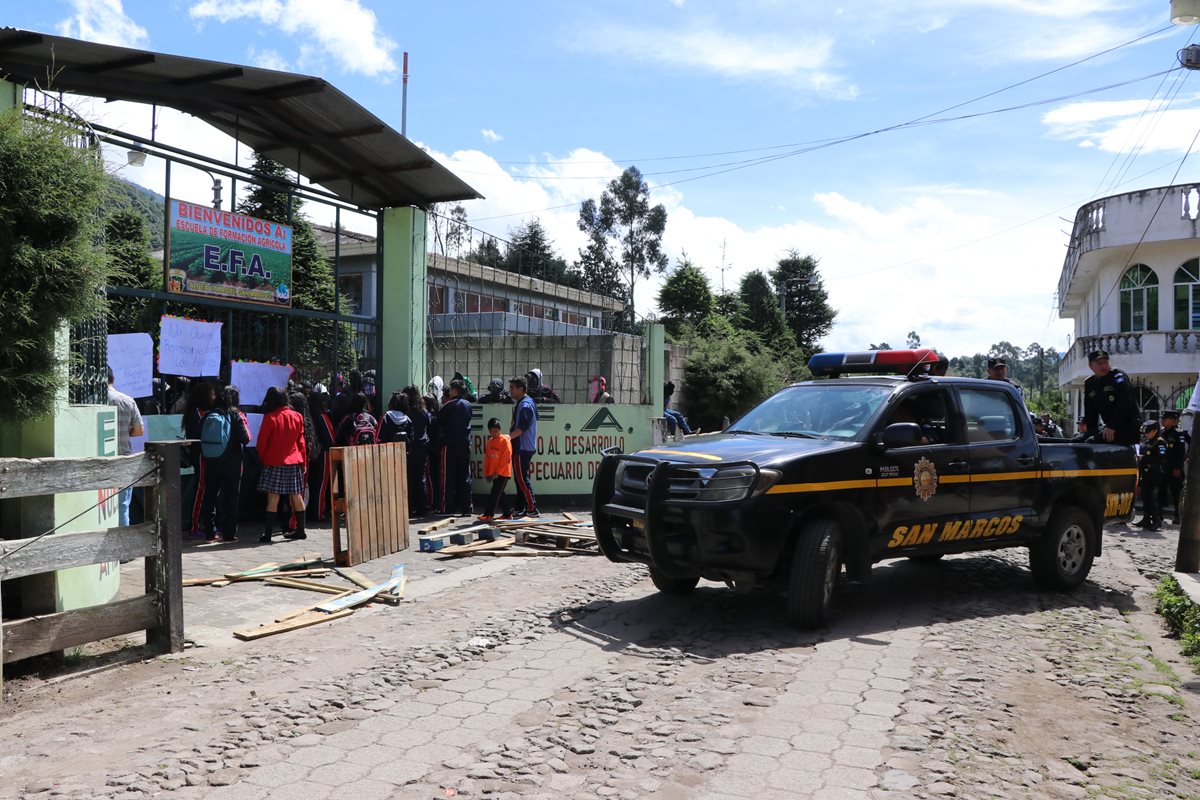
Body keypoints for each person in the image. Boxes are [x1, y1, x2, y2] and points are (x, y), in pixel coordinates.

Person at [198, 385, 250, 543]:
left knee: (210, 496)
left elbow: (197, 435)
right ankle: (229, 534)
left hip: (211, 461)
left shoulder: (209, 415)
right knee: (231, 498)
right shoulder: (236, 415)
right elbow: (245, 438)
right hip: (232, 463)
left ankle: (209, 533)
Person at [256, 386, 308, 543]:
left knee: (273, 497)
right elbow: (301, 442)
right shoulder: (297, 416)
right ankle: (300, 531)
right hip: (294, 461)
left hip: (274, 461)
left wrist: (264, 459)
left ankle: (268, 534)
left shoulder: (270, 417)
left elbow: (261, 443)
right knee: (296, 496)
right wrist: (303, 461)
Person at [107, 367, 144, 527]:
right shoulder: (127, 400)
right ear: (113, 380)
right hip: (123, 457)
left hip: (100, 459)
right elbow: (139, 430)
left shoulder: (90, 401)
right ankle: (123, 547)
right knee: (122, 507)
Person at [1081, 350, 1140, 446]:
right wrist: (1089, 432)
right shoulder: (1090, 383)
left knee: (1090, 443)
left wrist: (1112, 426)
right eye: (1099, 363)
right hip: (1109, 428)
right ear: (1090, 366)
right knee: (1078, 442)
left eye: (1105, 362)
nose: (1103, 366)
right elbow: (1090, 413)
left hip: (1127, 428)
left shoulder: (1118, 377)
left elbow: (1125, 402)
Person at [182, 380, 217, 538]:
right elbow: (196, 437)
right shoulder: (196, 413)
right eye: (212, 394)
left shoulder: (202, 412)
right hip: (201, 457)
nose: (214, 396)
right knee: (200, 490)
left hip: (208, 457)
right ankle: (195, 527)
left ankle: (205, 524)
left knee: (207, 491)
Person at [439, 379, 474, 515]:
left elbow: (439, 422)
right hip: (465, 444)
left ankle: (447, 508)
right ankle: (467, 508)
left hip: (450, 445)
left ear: (454, 391)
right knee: (465, 477)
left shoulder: (449, 405)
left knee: (448, 477)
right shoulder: (468, 405)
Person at [509, 375, 540, 517]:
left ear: (521, 389)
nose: (510, 391)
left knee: (522, 479)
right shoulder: (527, 402)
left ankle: (532, 508)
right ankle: (519, 508)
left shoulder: (525, 405)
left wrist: (505, 438)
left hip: (523, 447)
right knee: (519, 479)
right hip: (522, 447)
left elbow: (521, 429)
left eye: (512, 388)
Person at [478, 417, 513, 522]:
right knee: (499, 494)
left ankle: (489, 515)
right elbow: (487, 459)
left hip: (503, 473)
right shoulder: (489, 442)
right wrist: (487, 473)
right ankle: (507, 514)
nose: (494, 433)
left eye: (496, 431)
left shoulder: (505, 441)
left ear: (500, 430)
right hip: (493, 474)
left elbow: (506, 458)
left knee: (495, 493)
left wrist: (498, 473)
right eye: (492, 431)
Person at [1135, 419, 1168, 531]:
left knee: (1150, 498)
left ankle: (1156, 520)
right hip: (1145, 472)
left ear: (1155, 430)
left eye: (1148, 431)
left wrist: (1144, 458)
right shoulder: (1146, 441)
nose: (1146, 433)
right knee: (1144, 496)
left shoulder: (1160, 442)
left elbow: (1160, 459)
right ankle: (1146, 519)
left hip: (1154, 473)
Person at [403, 385, 430, 517]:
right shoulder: (423, 410)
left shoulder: (406, 412)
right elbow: (429, 423)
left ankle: (410, 507)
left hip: (410, 447)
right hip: (422, 446)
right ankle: (422, 507)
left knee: (409, 478)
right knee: (420, 478)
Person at [308, 392, 336, 522]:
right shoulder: (322, 416)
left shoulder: (306, 416)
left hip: (308, 453)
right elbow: (330, 438)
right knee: (321, 485)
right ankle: (318, 513)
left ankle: (308, 510)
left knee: (310, 483)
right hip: (322, 454)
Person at [1159, 409, 1188, 524]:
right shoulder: (1161, 432)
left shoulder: (1178, 433)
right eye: (1162, 419)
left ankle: (1178, 515)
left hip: (1173, 467)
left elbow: (1181, 452)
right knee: (1161, 491)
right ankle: (1159, 514)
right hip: (1162, 466)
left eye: (1164, 419)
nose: (1162, 421)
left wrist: (1178, 468)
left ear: (1172, 421)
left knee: (1176, 492)